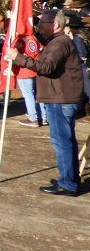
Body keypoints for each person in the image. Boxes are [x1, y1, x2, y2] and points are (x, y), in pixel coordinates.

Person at [5, 10, 83, 196]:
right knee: (66, 140)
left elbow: (46, 67)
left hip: (60, 99)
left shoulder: (59, 42)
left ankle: (68, 184)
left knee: (61, 141)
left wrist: (18, 57)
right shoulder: (57, 42)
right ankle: (70, 178)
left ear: (55, 25)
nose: (39, 26)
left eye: (43, 23)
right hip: (60, 97)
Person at [17, 26, 45, 127]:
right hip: (35, 68)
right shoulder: (35, 38)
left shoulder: (22, 40)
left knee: (28, 94)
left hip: (24, 70)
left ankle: (33, 118)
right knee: (37, 94)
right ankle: (43, 116)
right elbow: (41, 51)